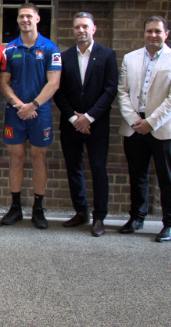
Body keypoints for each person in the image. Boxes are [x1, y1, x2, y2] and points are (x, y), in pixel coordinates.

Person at [117, 16, 171, 242]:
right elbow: (123, 92)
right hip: (134, 127)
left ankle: (170, 223)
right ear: (144, 33)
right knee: (137, 175)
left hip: (162, 128)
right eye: (149, 31)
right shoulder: (131, 58)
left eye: (158, 31)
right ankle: (137, 217)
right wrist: (135, 120)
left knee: (167, 177)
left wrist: (151, 122)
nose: (153, 35)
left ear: (166, 33)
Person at [53, 13, 118, 237]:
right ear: (73, 30)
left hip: (97, 125)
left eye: (85, 26)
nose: (81, 30)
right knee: (74, 168)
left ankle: (99, 217)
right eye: (77, 27)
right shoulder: (64, 57)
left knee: (98, 169)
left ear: (94, 29)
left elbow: (111, 90)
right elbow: (58, 91)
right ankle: (81, 212)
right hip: (70, 124)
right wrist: (74, 118)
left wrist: (88, 117)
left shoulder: (108, 55)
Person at [0, 3, 61, 229]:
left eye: (29, 16)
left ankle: (38, 209)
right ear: (17, 20)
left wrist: (33, 105)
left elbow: (54, 83)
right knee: (16, 159)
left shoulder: (50, 48)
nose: (25, 20)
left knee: (38, 159)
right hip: (15, 112)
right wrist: (19, 105)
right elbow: (3, 82)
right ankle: (15, 208)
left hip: (40, 111)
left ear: (37, 19)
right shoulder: (9, 49)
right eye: (21, 16)